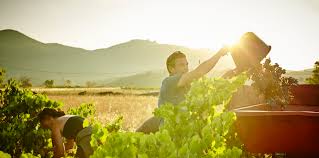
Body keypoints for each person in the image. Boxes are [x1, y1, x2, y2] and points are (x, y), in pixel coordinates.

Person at [136, 46, 229, 133]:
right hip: (170, 134)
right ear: (171, 69)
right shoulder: (169, 82)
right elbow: (199, 72)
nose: (186, 68)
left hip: (184, 132)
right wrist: (219, 54)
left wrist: (228, 76)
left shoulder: (189, 86)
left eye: (186, 64)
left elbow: (210, 90)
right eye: (181, 65)